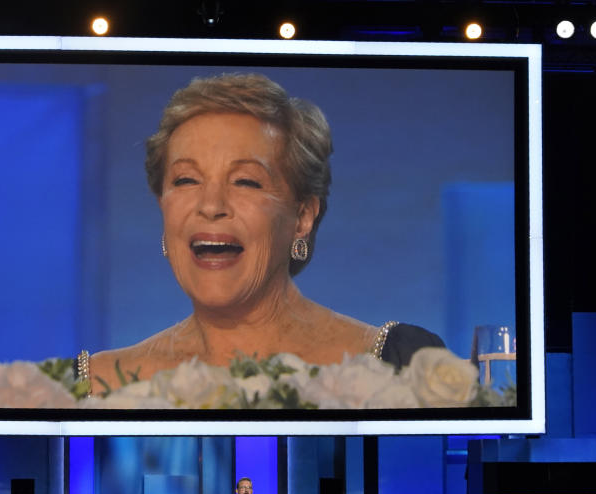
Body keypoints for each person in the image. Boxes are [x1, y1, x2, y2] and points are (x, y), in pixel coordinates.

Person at [83, 72, 445, 401]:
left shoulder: (403, 365)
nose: (211, 206)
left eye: (246, 181)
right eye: (186, 180)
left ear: (302, 216)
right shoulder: (92, 385)